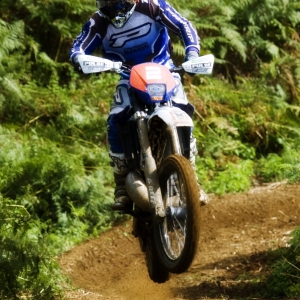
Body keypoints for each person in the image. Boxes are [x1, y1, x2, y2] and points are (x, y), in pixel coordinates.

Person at [70, 0, 209, 211]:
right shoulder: (97, 22)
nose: (112, 5)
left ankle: (192, 178)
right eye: (106, 1)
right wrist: (80, 59)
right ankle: (121, 186)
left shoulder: (153, 6)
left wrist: (192, 54)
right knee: (116, 118)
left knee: (183, 110)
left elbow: (183, 24)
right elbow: (77, 48)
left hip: (164, 70)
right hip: (127, 76)